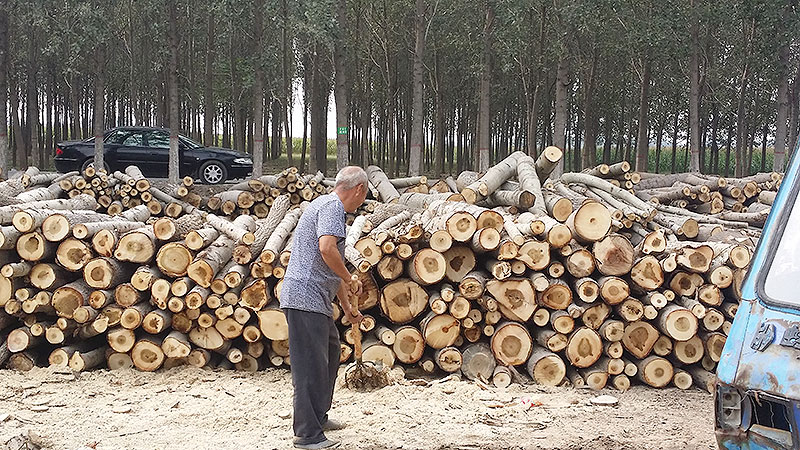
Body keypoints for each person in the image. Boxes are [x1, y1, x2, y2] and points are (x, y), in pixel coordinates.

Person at [280, 166, 368, 450]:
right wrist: (350, 277)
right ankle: (307, 435)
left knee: (328, 355)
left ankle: (318, 416)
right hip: (305, 297)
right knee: (310, 366)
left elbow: (331, 265)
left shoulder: (326, 206)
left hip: (315, 298)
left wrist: (347, 307)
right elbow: (327, 249)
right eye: (364, 195)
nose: (362, 201)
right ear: (359, 189)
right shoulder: (332, 207)